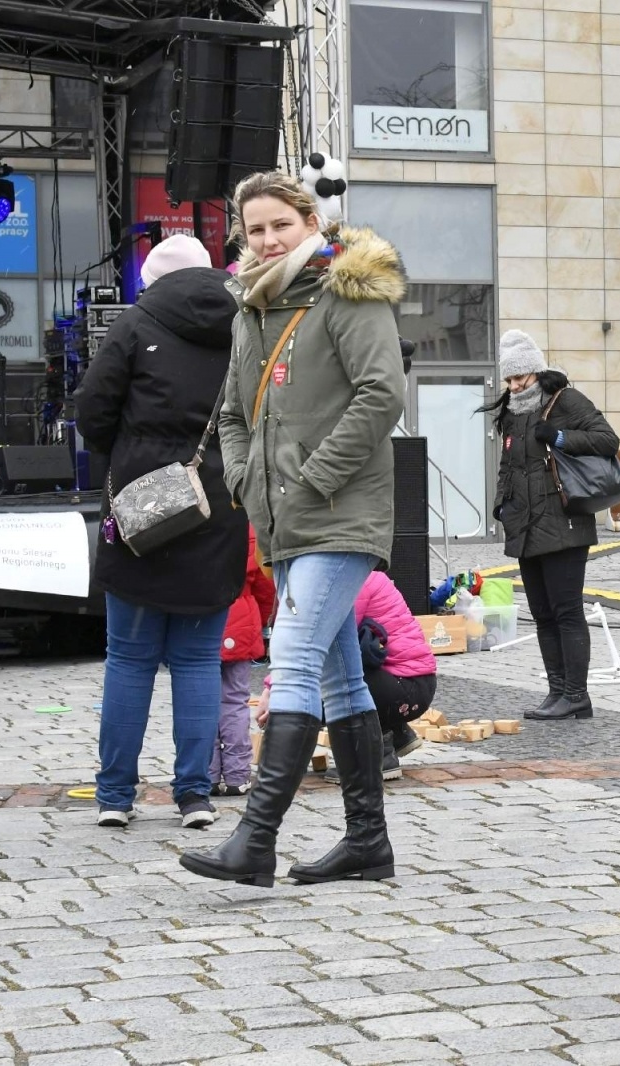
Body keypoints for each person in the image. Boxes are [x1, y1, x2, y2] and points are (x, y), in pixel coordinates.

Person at [178, 171, 408, 888]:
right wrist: (246, 481)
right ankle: (368, 843)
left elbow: (382, 394)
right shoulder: (251, 306)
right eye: (256, 229)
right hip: (281, 519)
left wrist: (312, 478)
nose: (269, 238)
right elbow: (232, 414)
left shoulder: (348, 290)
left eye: (281, 223)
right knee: (340, 677)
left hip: (340, 513)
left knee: (296, 654)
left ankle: (256, 840)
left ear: (311, 221)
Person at [74, 234, 247, 830]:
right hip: (217, 506)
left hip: (139, 509)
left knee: (129, 659)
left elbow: (92, 412)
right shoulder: (246, 322)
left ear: (151, 279)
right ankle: (194, 796)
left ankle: (115, 798)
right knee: (198, 662)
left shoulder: (135, 321)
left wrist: (129, 454)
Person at [481, 330, 619, 722]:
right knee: (541, 613)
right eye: (508, 379)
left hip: (564, 522)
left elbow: (608, 440)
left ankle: (576, 695)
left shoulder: (565, 400)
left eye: (519, 377)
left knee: (566, 611)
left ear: (536, 371)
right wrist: (501, 507)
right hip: (525, 526)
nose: (513, 385)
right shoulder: (512, 411)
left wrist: (559, 436)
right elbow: (508, 465)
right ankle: (557, 691)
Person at [350, 570, 437, 774]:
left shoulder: (356, 582)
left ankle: (377, 755)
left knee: (335, 677)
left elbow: (329, 641)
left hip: (407, 688)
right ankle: (397, 733)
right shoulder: (368, 574)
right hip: (415, 684)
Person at [213, 527, 275, 796]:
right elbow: (265, 586)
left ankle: (206, 774)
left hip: (199, 620)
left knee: (201, 701)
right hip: (240, 622)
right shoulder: (248, 526)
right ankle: (237, 775)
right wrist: (259, 621)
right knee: (235, 701)